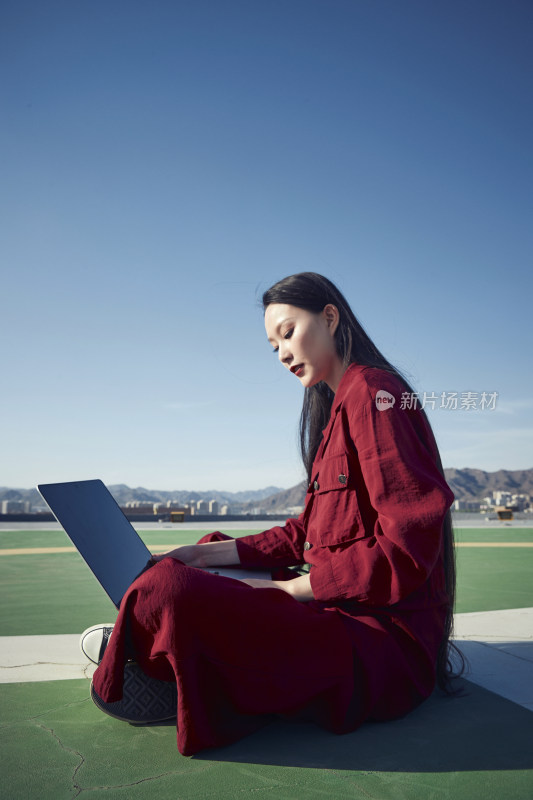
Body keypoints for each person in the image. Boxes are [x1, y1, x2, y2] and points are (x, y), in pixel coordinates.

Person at [84, 272, 461, 756]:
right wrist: (200, 557)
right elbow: (308, 534)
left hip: (380, 647)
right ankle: (170, 655)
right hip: (339, 610)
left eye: (288, 332)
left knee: (170, 589)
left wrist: (288, 590)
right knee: (201, 557)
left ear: (329, 317)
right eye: (272, 345)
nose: (282, 353)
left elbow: (407, 550)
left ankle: (158, 656)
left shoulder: (375, 394)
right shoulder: (337, 408)